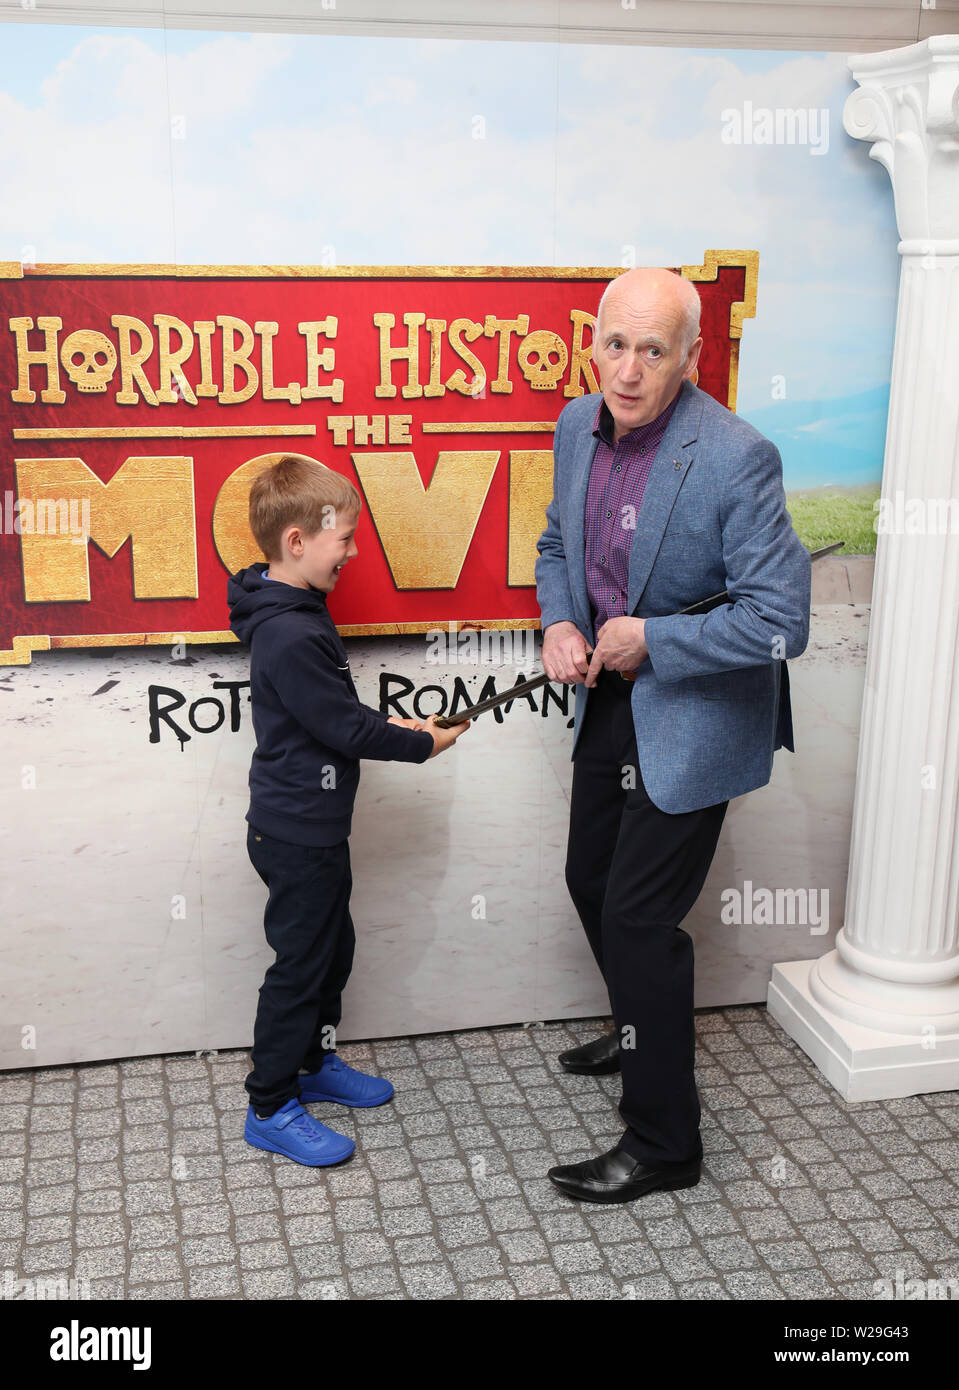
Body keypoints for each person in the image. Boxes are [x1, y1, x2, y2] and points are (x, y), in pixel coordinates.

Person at [535, 267, 810, 1203]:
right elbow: (556, 549)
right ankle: (635, 1027)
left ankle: (663, 1145)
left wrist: (654, 639)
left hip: (695, 708)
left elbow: (782, 622)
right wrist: (559, 624)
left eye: (653, 349)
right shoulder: (576, 426)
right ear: (593, 341)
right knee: (588, 879)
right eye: (615, 343)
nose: (628, 368)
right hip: (608, 691)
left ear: (691, 356)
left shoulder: (736, 456)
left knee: (639, 919)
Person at [227, 454, 469, 1167]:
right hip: (296, 833)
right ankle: (269, 1103)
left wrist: (408, 730)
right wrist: (420, 744)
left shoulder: (297, 608)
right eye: (345, 540)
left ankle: (312, 1063)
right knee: (300, 967)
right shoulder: (290, 631)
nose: (355, 552)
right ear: (297, 542)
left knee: (332, 954)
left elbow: (330, 715)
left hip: (316, 829)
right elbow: (344, 729)